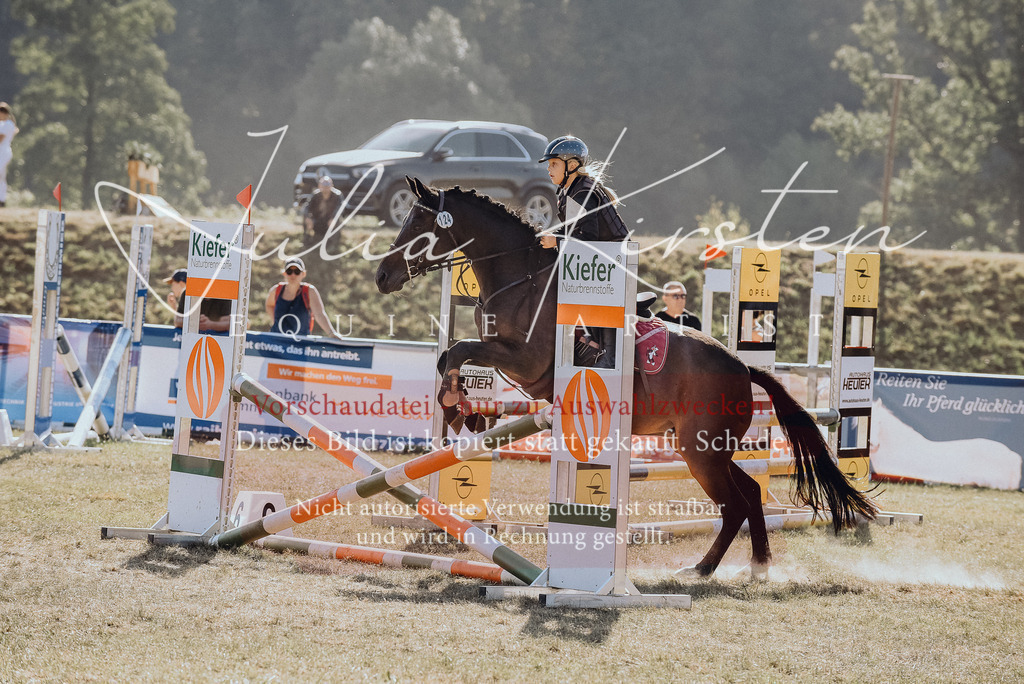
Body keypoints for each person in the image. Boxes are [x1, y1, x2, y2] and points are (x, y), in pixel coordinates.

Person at [538, 135, 629, 367]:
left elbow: (586, 239)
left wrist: (556, 242)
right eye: (549, 165)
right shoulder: (568, 191)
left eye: (554, 164)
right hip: (598, 264)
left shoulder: (583, 192)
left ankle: (599, 349)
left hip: (612, 266)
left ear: (572, 166)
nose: (549, 169)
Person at [264, 256, 346, 340]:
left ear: (303, 274)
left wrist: (331, 333)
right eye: (289, 271)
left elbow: (319, 314)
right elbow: (269, 305)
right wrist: (274, 321)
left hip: (300, 344)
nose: (293, 275)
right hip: (276, 343)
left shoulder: (309, 291)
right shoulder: (276, 290)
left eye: (297, 271)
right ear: (284, 273)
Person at [164, 267, 233, 332]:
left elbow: (228, 324)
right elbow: (178, 321)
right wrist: (196, 322)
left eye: (173, 284)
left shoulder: (224, 294)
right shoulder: (187, 292)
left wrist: (209, 324)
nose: (172, 288)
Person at [0, 102, 19, 208]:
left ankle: (2, 199)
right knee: (1, 176)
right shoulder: (2, 124)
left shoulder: (8, 124)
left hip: (3, 152)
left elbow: (0, 139)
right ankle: (1, 199)